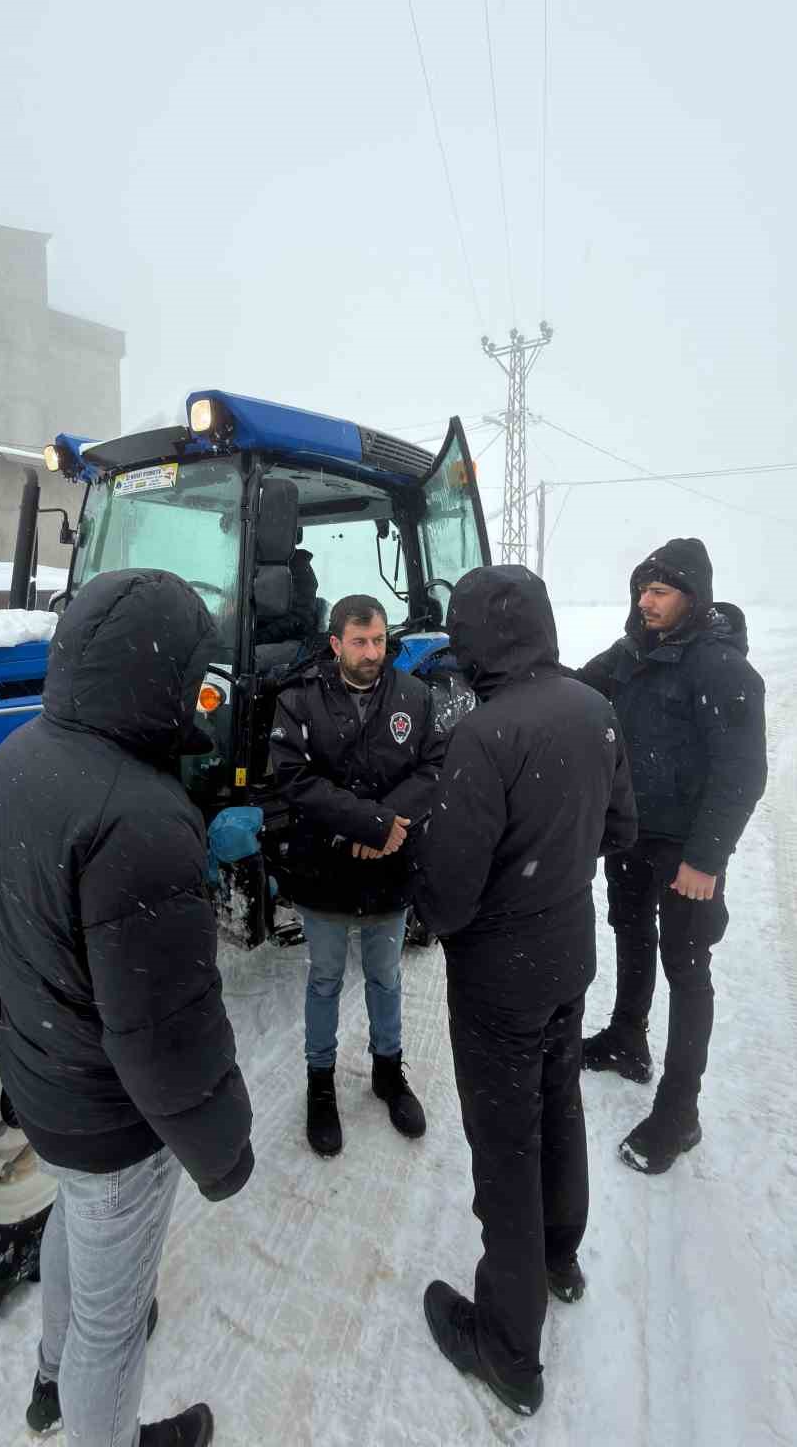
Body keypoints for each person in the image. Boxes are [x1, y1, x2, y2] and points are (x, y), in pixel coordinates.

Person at [0, 569, 254, 1447]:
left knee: (73, 1221)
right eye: (196, 677)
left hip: (43, 1078)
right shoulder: (139, 816)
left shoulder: (16, 759)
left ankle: (53, 1376)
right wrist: (223, 1150)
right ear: (156, 673)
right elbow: (166, 1040)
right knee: (115, 1323)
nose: (202, 698)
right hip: (111, 1115)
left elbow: (50, 923)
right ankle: (101, 1420)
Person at [413, 565, 637, 1418]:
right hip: (567, 952)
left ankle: (509, 1350)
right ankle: (558, 1256)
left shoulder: (483, 735)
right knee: (559, 1103)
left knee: (505, 1148)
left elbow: (450, 893)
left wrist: (429, 882)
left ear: (475, 639)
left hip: (500, 976)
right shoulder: (593, 707)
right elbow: (621, 829)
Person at [575, 537, 767, 1173]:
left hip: (688, 849)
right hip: (632, 834)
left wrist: (707, 860)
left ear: (691, 596)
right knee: (629, 932)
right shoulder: (633, 653)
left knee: (686, 967)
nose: (644, 600)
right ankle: (628, 1037)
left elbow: (742, 773)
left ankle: (680, 1112)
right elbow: (575, 690)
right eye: (641, 589)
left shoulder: (721, 669)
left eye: (658, 591)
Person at [269, 593, 445, 1156]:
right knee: (324, 979)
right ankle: (320, 1083)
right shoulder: (299, 700)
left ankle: (388, 1072)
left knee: (385, 977)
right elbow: (293, 779)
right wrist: (369, 821)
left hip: (389, 868)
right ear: (335, 643)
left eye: (379, 640)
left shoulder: (416, 696)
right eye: (361, 642)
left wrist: (392, 825)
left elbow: (437, 765)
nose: (373, 652)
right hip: (324, 866)